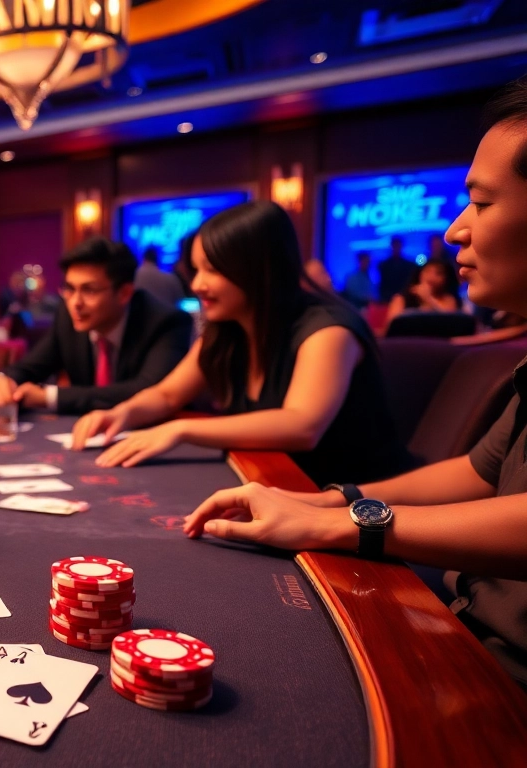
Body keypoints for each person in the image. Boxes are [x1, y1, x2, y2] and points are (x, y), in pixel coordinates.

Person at [182, 76, 527, 684]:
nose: (454, 230)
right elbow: (479, 472)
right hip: (466, 612)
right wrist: (325, 500)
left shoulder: (326, 325)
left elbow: (302, 425)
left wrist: (340, 522)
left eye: (482, 202)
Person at [70, 201, 412, 487]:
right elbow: (168, 394)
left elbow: (302, 426)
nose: (197, 284)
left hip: (358, 506)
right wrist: (122, 413)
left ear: (259, 269)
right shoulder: (227, 328)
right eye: (196, 270)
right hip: (276, 487)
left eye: (212, 270)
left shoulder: (328, 329)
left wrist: (182, 429)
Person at [0, 238, 192, 415]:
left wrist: (49, 397)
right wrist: (3, 380)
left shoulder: (166, 322)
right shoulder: (68, 316)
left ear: (124, 293)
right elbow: (29, 367)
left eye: (89, 290)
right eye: (69, 288)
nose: (75, 302)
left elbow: (150, 391)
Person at [387, 258, 463, 316]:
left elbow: (451, 322)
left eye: (438, 273)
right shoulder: (402, 299)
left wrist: (428, 299)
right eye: (427, 271)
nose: (431, 277)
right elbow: (392, 327)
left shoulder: (449, 300)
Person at [377, 235, 417, 302]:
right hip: (387, 299)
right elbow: (382, 285)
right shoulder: (384, 265)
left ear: (401, 246)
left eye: (398, 245)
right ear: (391, 246)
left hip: (405, 298)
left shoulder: (410, 265)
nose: (396, 248)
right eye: (394, 245)